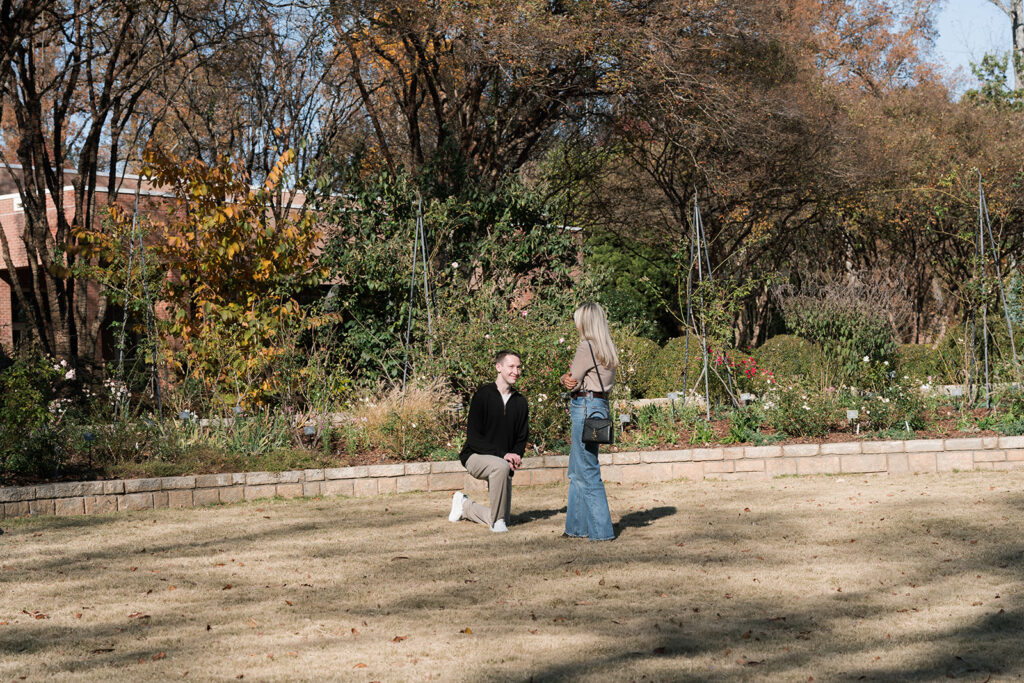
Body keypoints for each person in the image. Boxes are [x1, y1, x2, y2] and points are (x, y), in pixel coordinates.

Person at [449, 350, 528, 533]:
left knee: (505, 517)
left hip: (502, 462)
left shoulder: (520, 402)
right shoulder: (483, 396)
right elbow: (474, 439)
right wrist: (503, 455)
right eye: (511, 367)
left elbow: (522, 438)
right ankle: (496, 522)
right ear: (498, 367)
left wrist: (515, 455)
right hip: (475, 456)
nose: (516, 371)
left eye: (518, 367)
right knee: (500, 467)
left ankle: (465, 506)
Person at [559, 303, 617, 541]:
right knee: (578, 468)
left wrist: (564, 377)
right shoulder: (608, 347)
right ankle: (575, 528)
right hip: (600, 406)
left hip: (584, 406)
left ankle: (601, 532)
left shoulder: (586, 346)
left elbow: (572, 380)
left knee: (587, 469)